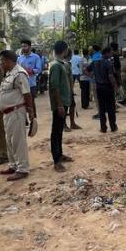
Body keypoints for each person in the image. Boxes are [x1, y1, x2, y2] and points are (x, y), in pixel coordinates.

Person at [0, 50, 35, 181]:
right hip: (7, 113)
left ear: (7, 61)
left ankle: (22, 169)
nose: (1, 63)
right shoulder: (9, 74)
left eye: (2, 61)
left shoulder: (20, 74)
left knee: (18, 141)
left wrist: (30, 112)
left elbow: (27, 94)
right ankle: (13, 165)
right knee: (9, 140)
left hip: (16, 112)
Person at [48, 41, 75, 171]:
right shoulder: (56, 66)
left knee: (59, 131)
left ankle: (60, 154)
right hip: (60, 103)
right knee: (56, 131)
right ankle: (56, 161)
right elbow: (55, 87)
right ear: (64, 50)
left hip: (64, 102)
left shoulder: (62, 64)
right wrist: (59, 105)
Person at [88, 45, 118, 133]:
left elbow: (85, 70)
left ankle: (103, 128)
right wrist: (115, 86)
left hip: (99, 87)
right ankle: (113, 127)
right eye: (111, 52)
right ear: (107, 53)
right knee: (111, 108)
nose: (112, 54)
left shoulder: (95, 62)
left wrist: (92, 77)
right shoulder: (109, 63)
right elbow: (111, 76)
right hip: (108, 88)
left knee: (101, 108)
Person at [17, 40, 43, 118]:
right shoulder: (20, 58)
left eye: (25, 46)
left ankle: (33, 119)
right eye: (22, 46)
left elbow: (38, 69)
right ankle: (24, 120)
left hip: (31, 83)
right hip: (21, 84)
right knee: (21, 102)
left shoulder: (36, 57)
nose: (23, 48)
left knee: (31, 102)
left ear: (30, 47)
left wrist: (27, 70)